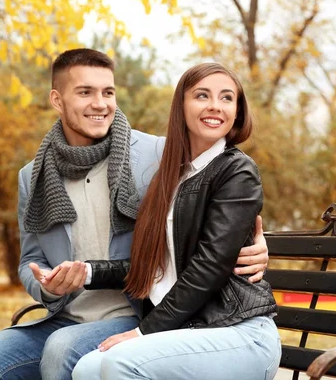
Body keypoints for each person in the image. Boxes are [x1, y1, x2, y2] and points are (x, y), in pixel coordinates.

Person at [0, 50, 270, 380]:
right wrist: (48, 286)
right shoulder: (32, 176)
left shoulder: (159, 154)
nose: (100, 104)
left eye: (108, 92)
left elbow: (221, 213)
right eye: (85, 92)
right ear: (57, 100)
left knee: (63, 349)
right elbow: (29, 259)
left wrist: (260, 249)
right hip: (65, 316)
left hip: (137, 313)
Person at [71, 62, 281, 380]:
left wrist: (143, 333)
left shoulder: (237, 172)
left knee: (121, 362)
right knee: (86, 370)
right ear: (181, 105)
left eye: (227, 98)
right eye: (202, 95)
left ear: (237, 112)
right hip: (192, 330)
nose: (215, 106)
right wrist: (86, 271)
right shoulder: (172, 177)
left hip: (238, 332)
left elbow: (210, 267)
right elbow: (155, 267)